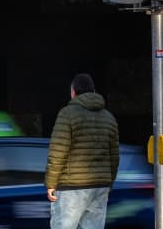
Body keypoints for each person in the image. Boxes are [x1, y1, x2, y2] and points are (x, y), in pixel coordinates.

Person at [44, 73, 119, 229]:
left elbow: (58, 150)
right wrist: (109, 183)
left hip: (72, 187)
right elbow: (114, 156)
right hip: (99, 187)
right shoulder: (109, 117)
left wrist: (51, 183)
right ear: (93, 91)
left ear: (73, 92)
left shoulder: (67, 114)